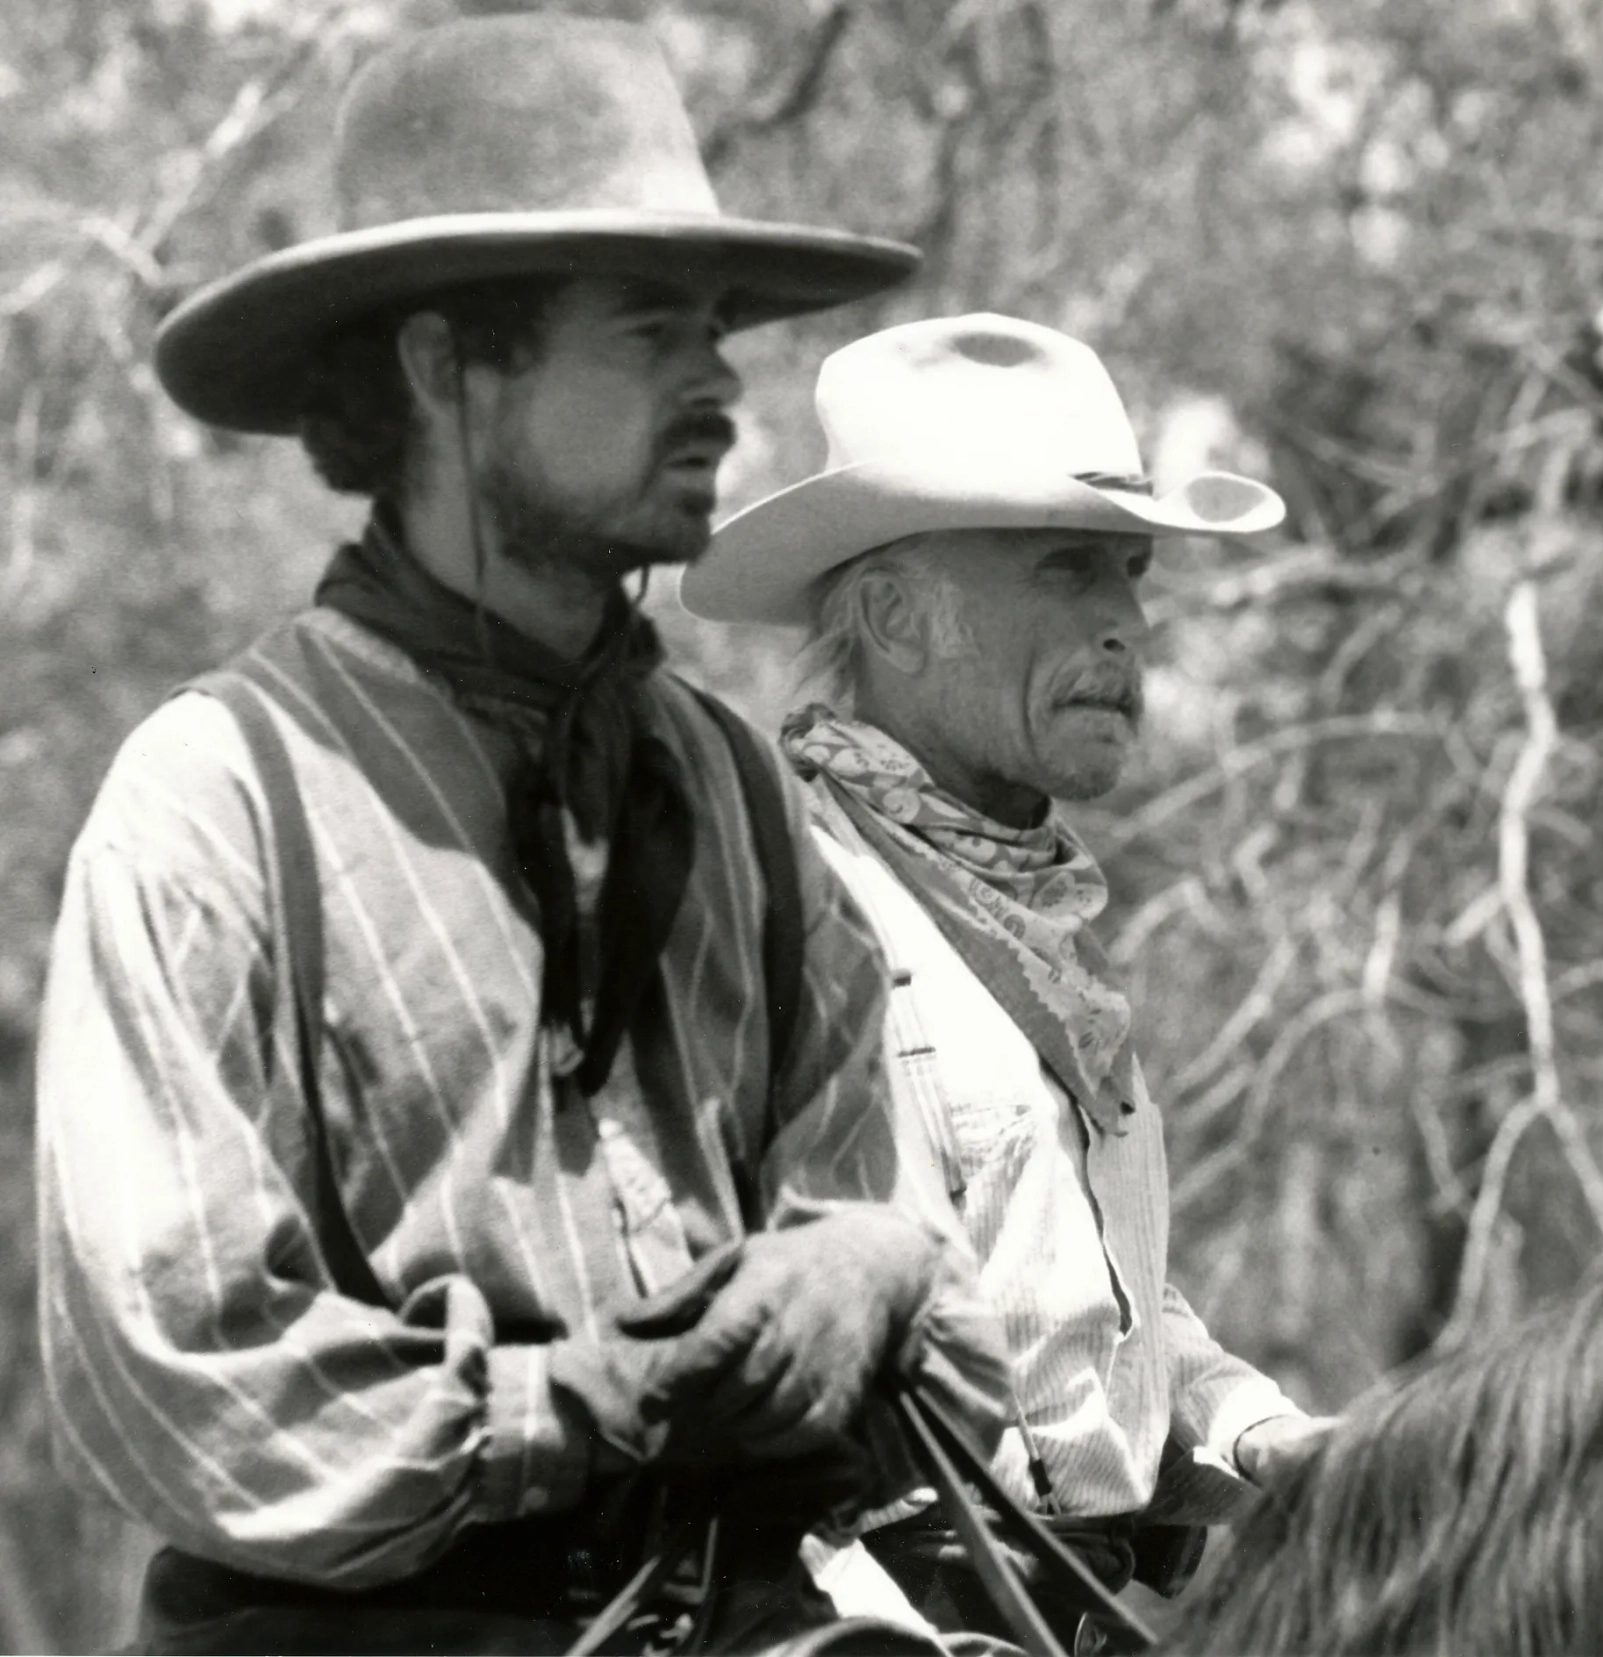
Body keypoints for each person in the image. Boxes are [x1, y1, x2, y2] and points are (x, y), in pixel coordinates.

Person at [36, 20, 1006, 1655]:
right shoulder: (217, 797)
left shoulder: (741, 799)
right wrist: (582, 1401)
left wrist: (881, 1266)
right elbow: (171, 1373)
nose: (719, 386)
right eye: (648, 332)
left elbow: (913, 1246)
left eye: (718, 333)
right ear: (446, 368)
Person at [680, 314, 1333, 1646]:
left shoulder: (1033, 923)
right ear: (897, 614)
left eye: (1130, 574)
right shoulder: (779, 909)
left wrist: (1260, 1431)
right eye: (1068, 571)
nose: (1130, 622)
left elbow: (1093, 1313)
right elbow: (744, 1385)